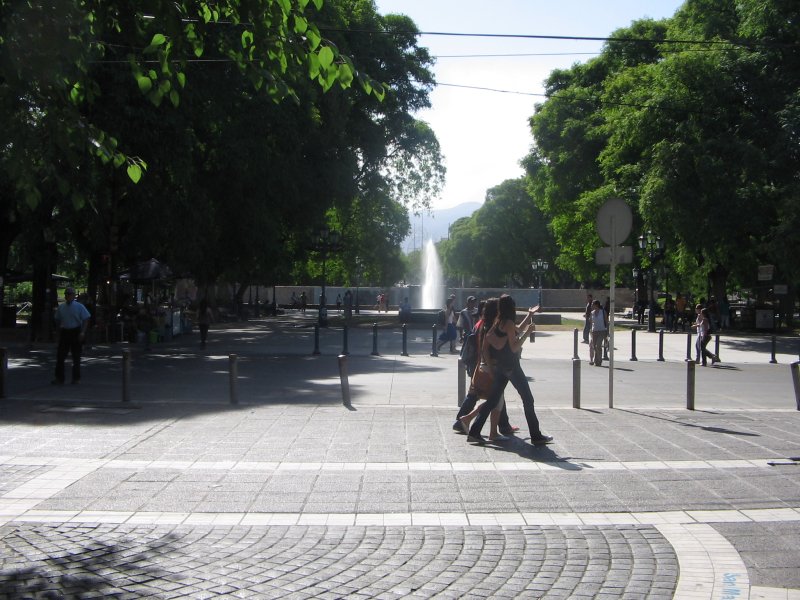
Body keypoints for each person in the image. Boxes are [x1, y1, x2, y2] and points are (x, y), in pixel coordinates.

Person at [466, 295, 552, 446]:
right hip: (511, 366)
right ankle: (536, 435)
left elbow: (503, 334)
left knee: (492, 401)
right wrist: (528, 332)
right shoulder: (509, 323)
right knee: (528, 399)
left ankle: (474, 431)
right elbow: (514, 347)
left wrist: (529, 315)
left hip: (500, 366)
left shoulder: (499, 321)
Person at [455, 298, 518, 441]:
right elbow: (486, 349)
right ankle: (469, 420)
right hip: (491, 367)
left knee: (496, 400)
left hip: (485, 366)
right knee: (493, 400)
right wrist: (491, 369)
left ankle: (494, 430)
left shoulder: (484, 323)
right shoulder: (490, 326)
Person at [52, 287, 91, 385]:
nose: (68, 296)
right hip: (65, 331)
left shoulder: (79, 306)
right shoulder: (61, 307)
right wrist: (58, 332)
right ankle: (59, 378)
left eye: (70, 294)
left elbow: (86, 319)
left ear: (73, 296)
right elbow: (57, 319)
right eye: (66, 294)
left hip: (75, 331)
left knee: (76, 356)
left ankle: (76, 378)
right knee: (60, 356)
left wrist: (82, 332)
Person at [589, 300, 607, 366]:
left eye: (592, 304)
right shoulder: (592, 313)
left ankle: (599, 359)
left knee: (598, 345)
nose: (591, 305)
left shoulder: (603, 312)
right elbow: (591, 323)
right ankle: (596, 360)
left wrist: (607, 331)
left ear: (596, 305)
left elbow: (606, 321)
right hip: (594, 331)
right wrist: (590, 330)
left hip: (602, 331)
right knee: (594, 346)